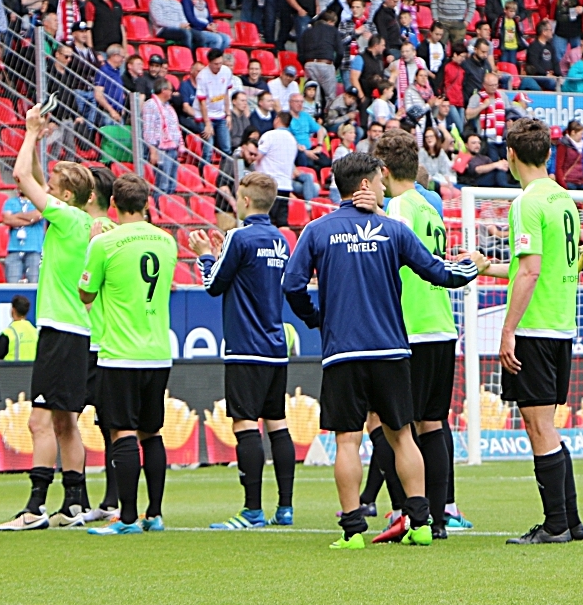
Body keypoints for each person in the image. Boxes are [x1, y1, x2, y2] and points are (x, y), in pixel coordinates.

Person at [283, 152, 481, 549]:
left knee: (346, 441)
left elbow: (291, 285)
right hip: (391, 349)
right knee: (403, 436)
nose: (382, 186)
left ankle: (353, 530)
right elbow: (439, 273)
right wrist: (471, 265)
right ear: (365, 186)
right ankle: (422, 523)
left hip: (343, 352)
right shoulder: (393, 229)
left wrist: (318, 318)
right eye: (377, 180)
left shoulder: (318, 230)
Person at [472, 119, 583, 544]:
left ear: (511, 156)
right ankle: (571, 520)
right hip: (560, 325)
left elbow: (532, 271)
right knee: (547, 426)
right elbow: (534, 265)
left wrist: (507, 330)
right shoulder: (563, 198)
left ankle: (555, 523)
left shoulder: (526, 201)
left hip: (535, 328)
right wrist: (490, 267)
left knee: (538, 427)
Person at [0, 108, 97, 530]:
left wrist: (29, 133)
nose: (47, 189)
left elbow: (22, 177)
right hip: (77, 332)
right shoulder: (80, 218)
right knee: (64, 421)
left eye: (54, 188)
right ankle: (74, 502)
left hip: (61, 331)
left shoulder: (68, 219)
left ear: (66, 197)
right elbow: (37, 176)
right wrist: (38, 141)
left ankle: (35, 507)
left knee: (39, 420)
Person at [372, 131, 473, 540]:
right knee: (432, 423)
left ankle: (407, 511)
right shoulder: (431, 208)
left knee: (390, 423)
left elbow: (387, 256)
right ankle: (437, 517)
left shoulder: (398, 207)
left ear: (383, 170)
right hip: (440, 325)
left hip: (408, 327)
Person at [189, 173, 297, 530]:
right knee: (277, 423)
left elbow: (212, 285)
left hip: (245, 346)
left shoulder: (240, 236)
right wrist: (224, 254)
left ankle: (252, 511)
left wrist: (206, 255)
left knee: (246, 423)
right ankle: (285, 508)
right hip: (275, 345)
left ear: (245, 201)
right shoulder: (280, 239)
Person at [78, 173, 178, 536]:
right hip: (158, 352)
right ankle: (155, 513)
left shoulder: (104, 243)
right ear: (148, 205)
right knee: (151, 433)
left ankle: (128, 518)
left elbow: (86, 294)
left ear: (115, 206)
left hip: (120, 353)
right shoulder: (167, 242)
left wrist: (93, 244)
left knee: (122, 433)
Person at [0, 294, 40, 361]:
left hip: (13, 370)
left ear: (13, 310)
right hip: (33, 370)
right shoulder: (35, 332)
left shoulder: (8, 334)